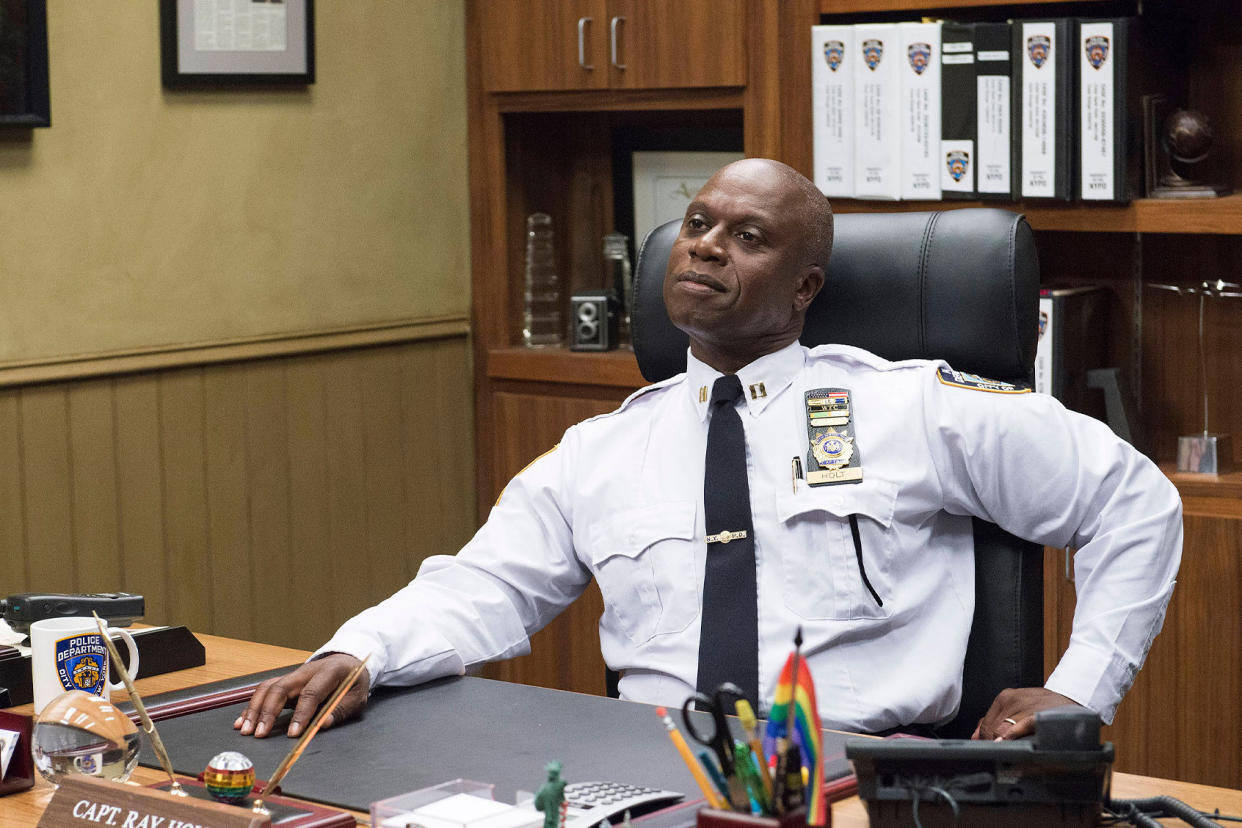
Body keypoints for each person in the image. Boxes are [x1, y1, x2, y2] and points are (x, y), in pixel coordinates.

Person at [235, 158, 1181, 743]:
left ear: (806, 284)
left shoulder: (912, 408)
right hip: (648, 772)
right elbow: (485, 586)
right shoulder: (601, 450)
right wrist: (359, 650)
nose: (706, 249)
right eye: (697, 225)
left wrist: (1079, 691)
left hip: (854, 774)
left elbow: (1133, 502)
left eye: (748, 236)